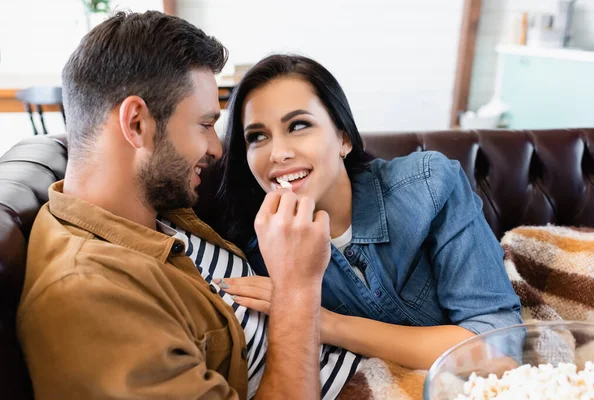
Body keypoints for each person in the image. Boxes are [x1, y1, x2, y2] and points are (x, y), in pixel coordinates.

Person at [17, 13, 336, 400]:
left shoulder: (151, 205)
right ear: (136, 124)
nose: (217, 149)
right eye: (204, 125)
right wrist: (297, 289)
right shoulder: (89, 298)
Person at [217, 54, 523, 370]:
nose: (278, 153)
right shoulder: (259, 254)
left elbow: (498, 346)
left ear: (344, 138)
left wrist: (325, 324)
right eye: (257, 136)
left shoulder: (429, 186)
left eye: (298, 125)